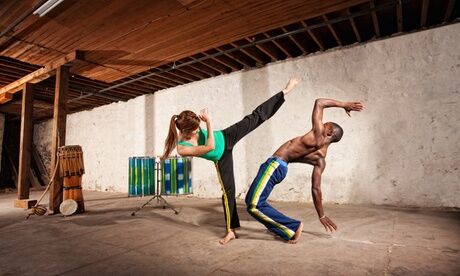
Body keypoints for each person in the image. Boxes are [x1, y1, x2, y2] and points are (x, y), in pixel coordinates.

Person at [161, 77, 300, 245]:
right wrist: (210, 121)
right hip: (221, 158)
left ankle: (284, 91)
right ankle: (230, 231)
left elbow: (213, 137)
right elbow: (211, 146)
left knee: (255, 117)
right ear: (185, 131)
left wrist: (286, 89)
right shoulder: (182, 148)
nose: (199, 129)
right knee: (228, 194)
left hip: (226, 136)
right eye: (197, 129)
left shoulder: (192, 126)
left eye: (199, 126)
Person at [245, 97, 364, 243]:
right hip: (280, 169)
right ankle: (284, 230)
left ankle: (293, 227)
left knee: (254, 204)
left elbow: (319, 102)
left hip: (275, 165)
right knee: (252, 201)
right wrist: (321, 215)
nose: (321, 124)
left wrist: (344, 104)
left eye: (325, 124)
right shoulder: (321, 160)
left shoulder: (318, 134)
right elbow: (316, 189)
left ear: (329, 132)